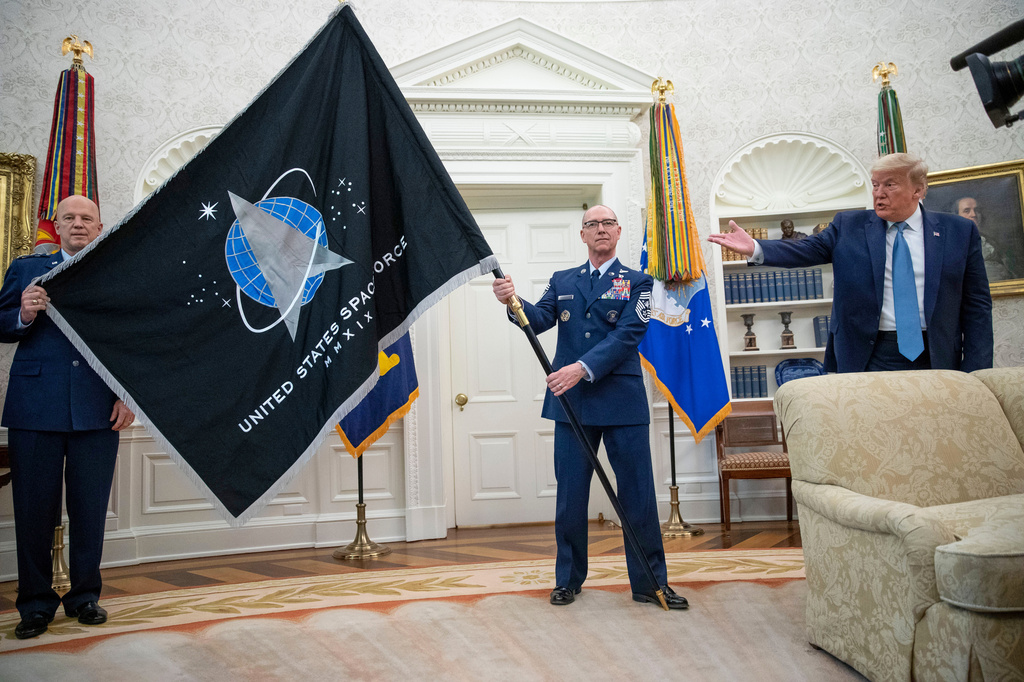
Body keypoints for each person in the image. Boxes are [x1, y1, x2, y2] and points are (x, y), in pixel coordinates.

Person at [491, 205, 687, 610]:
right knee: (571, 496)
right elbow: (540, 318)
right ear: (582, 235)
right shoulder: (563, 279)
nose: (600, 229)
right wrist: (513, 300)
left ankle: (651, 583)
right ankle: (568, 580)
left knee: (637, 495)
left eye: (608, 223)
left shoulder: (641, 283)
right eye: (592, 224)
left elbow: (629, 334)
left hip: (621, 401)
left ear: (618, 233)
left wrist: (581, 368)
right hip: (572, 405)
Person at [708, 153, 993, 373]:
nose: (878, 193)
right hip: (870, 354)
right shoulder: (849, 226)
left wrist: (978, 371)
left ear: (917, 190)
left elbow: (977, 304)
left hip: (938, 353)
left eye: (889, 185)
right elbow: (806, 250)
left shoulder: (958, 231)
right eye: (875, 184)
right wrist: (756, 247)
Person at [0, 195, 135, 639]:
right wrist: (22, 312)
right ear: (55, 227)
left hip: (98, 410)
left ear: (99, 228)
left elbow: (131, 340)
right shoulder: (24, 269)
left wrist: (125, 395)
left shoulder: (115, 271)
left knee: (90, 510)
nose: (78, 224)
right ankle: (35, 605)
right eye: (69, 218)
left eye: (86, 219)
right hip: (34, 408)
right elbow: (0, 325)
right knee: (34, 511)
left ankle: (85, 597)